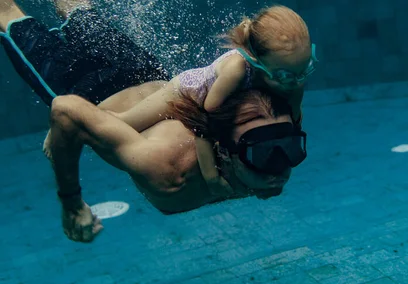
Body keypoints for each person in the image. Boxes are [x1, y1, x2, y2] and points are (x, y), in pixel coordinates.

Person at [0, 0, 308, 243]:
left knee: (76, 9)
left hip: (141, 69)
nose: (281, 168)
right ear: (224, 151)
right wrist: (72, 204)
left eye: (291, 148)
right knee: (7, 13)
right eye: (264, 155)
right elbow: (65, 109)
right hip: (83, 88)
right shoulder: (165, 167)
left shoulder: (269, 116)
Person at [113, 4, 317, 197]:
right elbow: (206, 120)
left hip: (215, 99)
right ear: (255, 60)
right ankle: (88, 116)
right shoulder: (236, 70)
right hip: (188, 90)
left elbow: (294, 119)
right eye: (284, 76)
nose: (296, 81)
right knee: (125, 124)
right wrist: (213, 179)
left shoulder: (292, 77)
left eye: (305, 69)